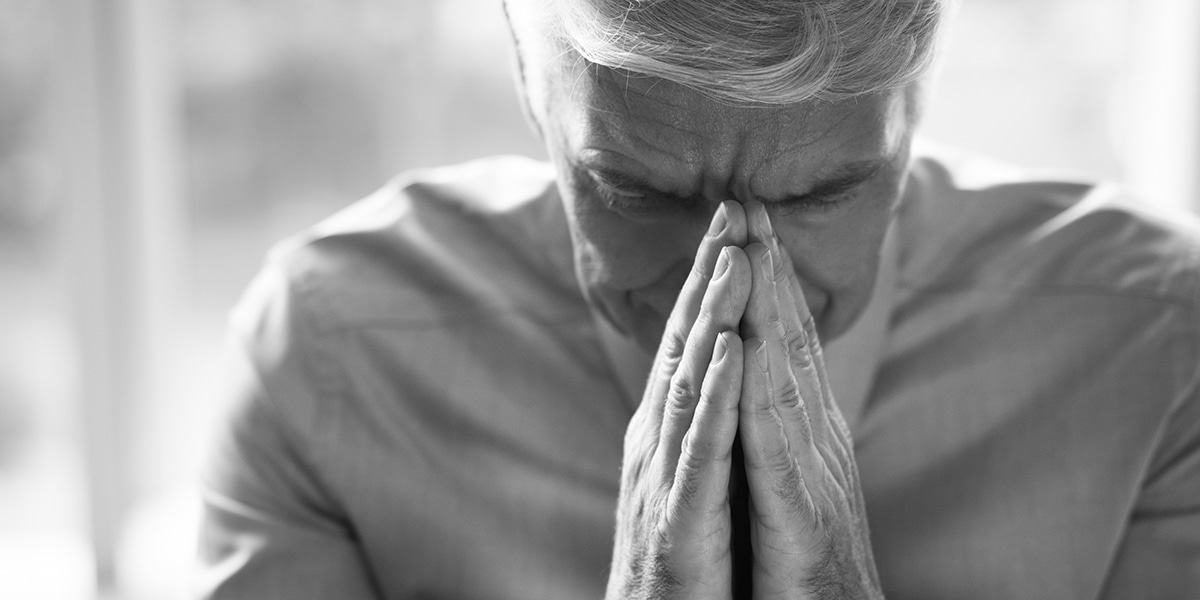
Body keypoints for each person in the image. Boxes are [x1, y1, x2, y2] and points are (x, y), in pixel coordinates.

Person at [195, 0, 1200, 598]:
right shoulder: (329, 365)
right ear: (524, 71)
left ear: (916, 105)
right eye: (635, 190)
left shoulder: (1155, 351)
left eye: (822, 190)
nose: (731, 275)